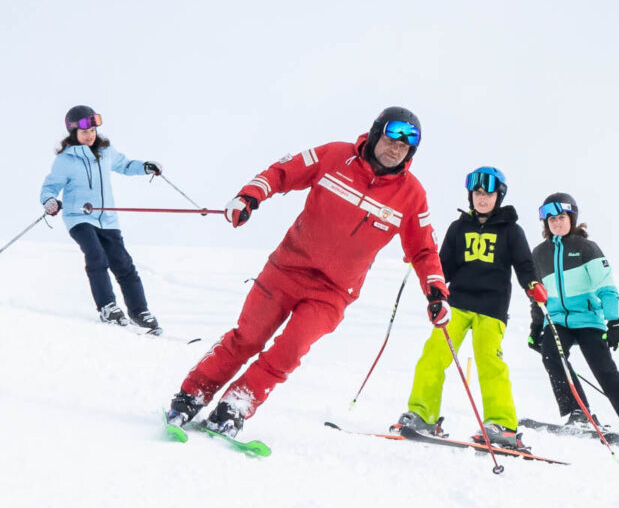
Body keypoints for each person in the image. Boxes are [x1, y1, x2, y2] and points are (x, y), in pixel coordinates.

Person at [166, 106, 448, 437]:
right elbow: (282, 171)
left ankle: (236, 405)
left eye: (404, 146)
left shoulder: (411, 195)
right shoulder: (334, 156)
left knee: (289, 351)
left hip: (333, 292)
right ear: (375, 134)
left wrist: (436, 292)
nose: (394, 148)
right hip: (287, 268)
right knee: (247, 338)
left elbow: (424, 249)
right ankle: (191, 396)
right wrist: (249, 196)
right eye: (390, 138)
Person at [397, 166, 539, 451]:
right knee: (433, 355)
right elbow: (443, 267)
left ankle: (502, 425)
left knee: (490, 362)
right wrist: (422, 265)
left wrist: (532, 285)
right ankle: (423, 416)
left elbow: (524, 264)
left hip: (492, 307)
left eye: (488, 194)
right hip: (457, 304)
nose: (482, 198)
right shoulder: (458, 228)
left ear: (500, 196)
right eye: (477, 193)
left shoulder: (511, 230)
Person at [527, 193, 619, 439]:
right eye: (551, 219)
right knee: (552, 356)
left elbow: (606, 288)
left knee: (604, 370)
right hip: (557, 320)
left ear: (572, 218)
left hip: (588, 319)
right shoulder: (539, 254)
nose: (556, 223)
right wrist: (536, 327)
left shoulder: (586, 248)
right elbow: (538, 296)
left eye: (561, 217)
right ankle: (578, 412)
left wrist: (614, 321)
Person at [39, 105, 165, 332]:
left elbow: (125, 165)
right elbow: (50, 186)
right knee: (96, 255)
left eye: (93, 130)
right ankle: (107, 306)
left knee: (123, 263)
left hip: (107, 219)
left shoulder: (106, 151)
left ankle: (139, 310)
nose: (90, 135)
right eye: (85, 131)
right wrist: (49, 201)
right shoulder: (66, 160)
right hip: (79, 217)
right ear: (73, 132)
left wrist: (145, 167)